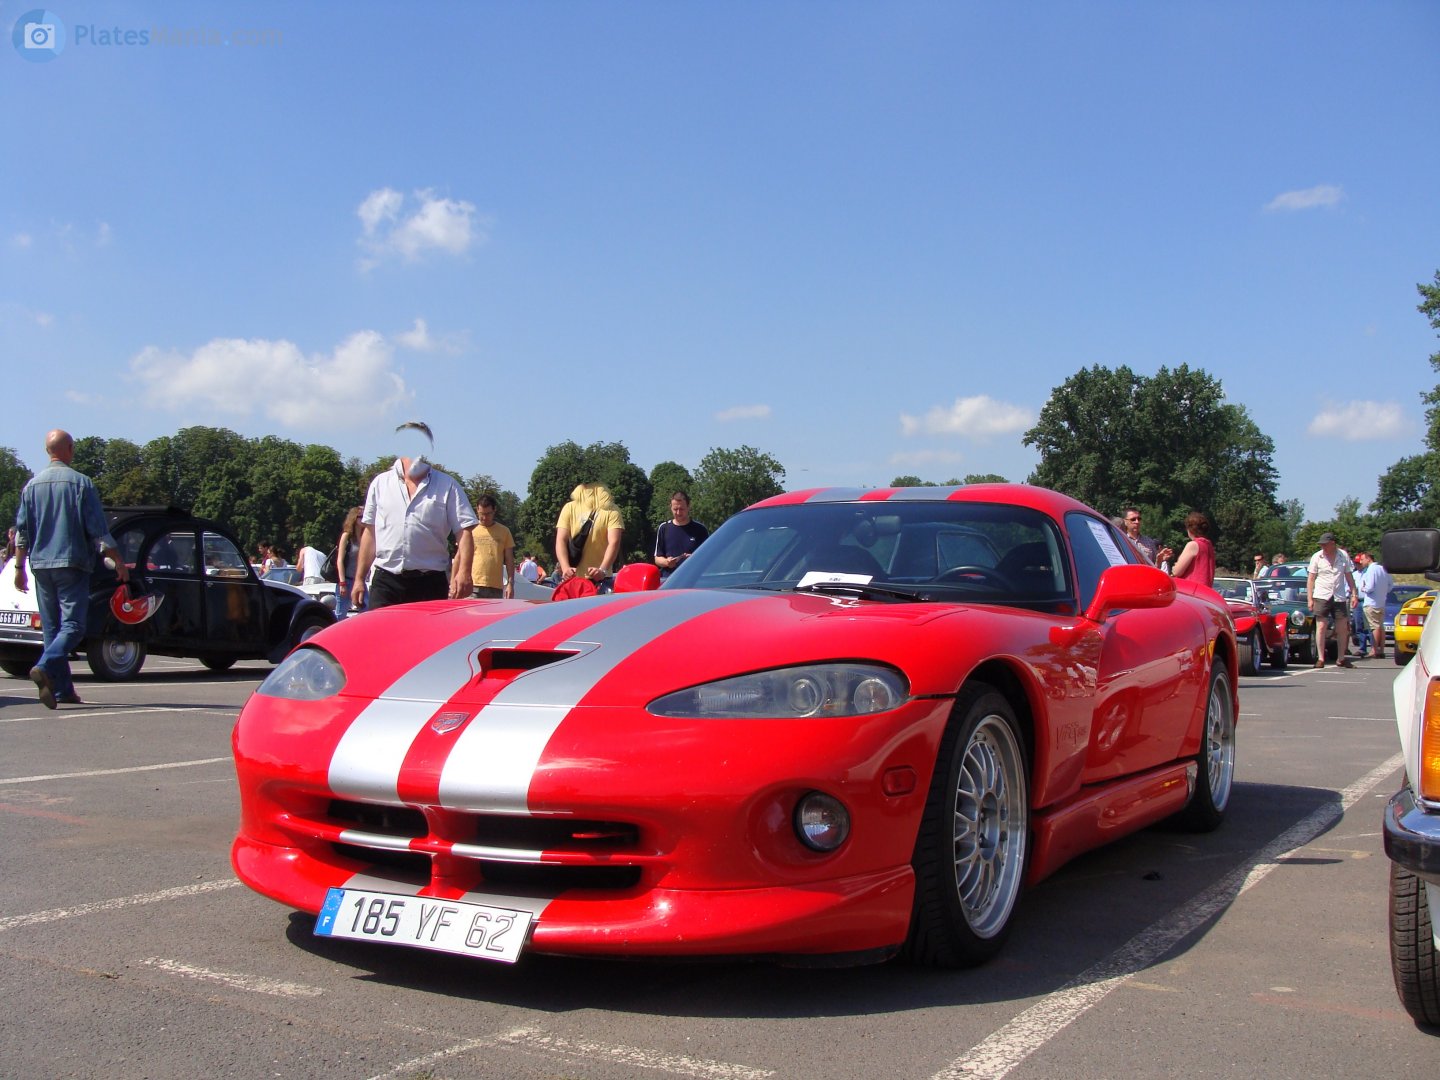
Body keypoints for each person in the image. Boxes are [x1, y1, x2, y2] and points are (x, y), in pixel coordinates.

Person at [12, 428, 130, 709]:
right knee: (74, 627)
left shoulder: (31, 486)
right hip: (72, 562)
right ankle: (44, 665)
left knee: (52, 629)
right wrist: (119, 562)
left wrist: (18, 567)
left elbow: (22, 533)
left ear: (47, 451)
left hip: (40, 565)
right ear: (70, 449)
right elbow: (98, 530)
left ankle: (63, 690)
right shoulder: (81, 483)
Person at [352, 430, 477, 610]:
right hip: (386, 581)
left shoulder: (448, 485)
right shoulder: (380, 483)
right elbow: (370, 534)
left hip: (429, 582)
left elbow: (464, 532)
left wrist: (464, 572)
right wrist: (358, 579)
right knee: (381, 629)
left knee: (428, 630)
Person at [555, 482, 624, 593]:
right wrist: (602, 570)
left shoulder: (569, 507)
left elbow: (560, 540)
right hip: (594, 578)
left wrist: (565, 568)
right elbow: (614, 542)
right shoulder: (612, 509)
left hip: (583, 579)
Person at [1306, 532, 1358, 669]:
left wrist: (1354, 594)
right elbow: (1311, 579)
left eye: (1325, 544)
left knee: (1342, 628)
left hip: (1339, 595)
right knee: (1321, 626)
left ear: (1333, 543)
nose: (1323, 547)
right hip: (1322, 595)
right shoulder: (1317, 557)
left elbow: (1349, 576)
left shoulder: (1343, 555)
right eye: (1321, 545)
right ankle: (1320, 658)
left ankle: (1341, 658)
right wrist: (1310, 599)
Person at [461, 494, 514, 599]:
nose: (484, 518)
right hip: (473, 586)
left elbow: (509, 560)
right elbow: (460, 556)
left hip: (495, 588)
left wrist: (510, 583)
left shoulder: (504, 531)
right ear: (477, 510)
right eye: (481, 514)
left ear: (494, 510)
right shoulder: (470, 530)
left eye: (488, 514)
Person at [653, 490, 709, 580]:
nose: (678, 513)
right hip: (669, 581)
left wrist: (694, 559)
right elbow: (657, 558)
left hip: (693, 580)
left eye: (682, 509)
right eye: (675, 509)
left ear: (688, 507)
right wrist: (667, 562)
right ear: (671, 507)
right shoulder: (664, 528)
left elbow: (709, 557)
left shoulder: (700, 529)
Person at [1353, 549, 1393, 659]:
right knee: (1381, 627)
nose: (1361, 562)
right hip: (1381, 602)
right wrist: (1382, 591)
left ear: (1368, 558)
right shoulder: (1383, 568)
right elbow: (1390, 585)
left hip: (1371, 602)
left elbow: (1370, 587)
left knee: (1374, 627)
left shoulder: (1371, 569)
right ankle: (1381, 649)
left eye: (1362, 559)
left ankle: (1375, 650)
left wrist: (1363, 588)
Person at [1169, 510, 1215, 588]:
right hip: (1204, 590)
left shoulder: (1193, 545)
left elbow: (1177, 571)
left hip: (1191, 589)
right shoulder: (1209, 546)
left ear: (1190, 529)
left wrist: (1174, 567)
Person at [334, 505, 364, 618]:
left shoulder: (364, 536)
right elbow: (340, 560)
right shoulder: (347, 536)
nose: (364, 519)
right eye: (361, 517)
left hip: (359, 581)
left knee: (366, 608)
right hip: (346, 580)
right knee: (340, 614)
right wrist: (342, 583)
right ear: (354, 518)